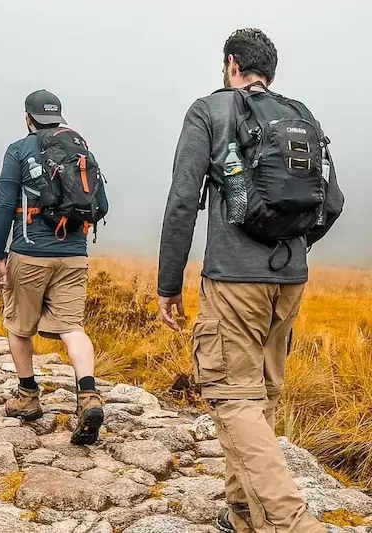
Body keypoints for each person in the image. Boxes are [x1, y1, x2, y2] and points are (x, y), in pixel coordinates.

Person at [158, 29, 344, 533]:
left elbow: (182, 201)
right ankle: (242, 513)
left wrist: (168, 282)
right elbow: (331, 201)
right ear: (271, 69)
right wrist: (293, 246)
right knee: (261, 392)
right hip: (290, 276)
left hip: (232, 279)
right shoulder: (301, 115)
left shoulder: (209, 111)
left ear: (231, 63)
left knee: (232, 395)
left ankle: (292, 522)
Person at [0, 89, 109, 445]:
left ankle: (27, 396)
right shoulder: (80, 147)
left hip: (30, 253)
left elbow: (4, 204)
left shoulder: (19, 149)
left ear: (29, 118)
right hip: (74, 254)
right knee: (72, 328)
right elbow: (100, 203)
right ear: (58, 116)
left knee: (18, 325)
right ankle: (88, 396)